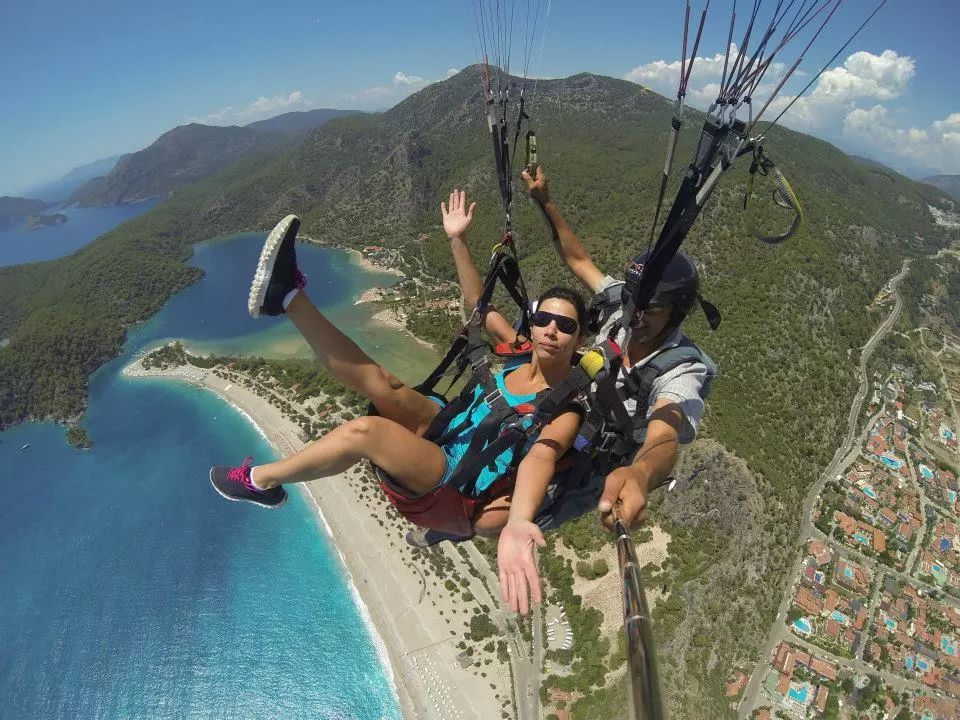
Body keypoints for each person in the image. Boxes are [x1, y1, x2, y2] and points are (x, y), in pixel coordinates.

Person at [209, 190, 587, 614]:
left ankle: (259, 481)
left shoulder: (565, 407)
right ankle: (286, 298)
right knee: (384, 384)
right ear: (532, 324)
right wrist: (457, 240)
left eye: (565, 325)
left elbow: (541, 457)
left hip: (453, 481)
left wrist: (519, 522)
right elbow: (479, 305)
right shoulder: (517, 349)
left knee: (367, 433)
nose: (550, 330)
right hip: (449, 430)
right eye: (543, 319)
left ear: (579, 339)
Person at [522, 166, 719, 532]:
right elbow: (578, 259)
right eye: (633, 302)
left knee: (523, 517)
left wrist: (642, 474)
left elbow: (665, 428)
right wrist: (544, 201)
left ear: (677, 314)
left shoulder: (680, 370)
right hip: (566, 413)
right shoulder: (621, 304)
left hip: (595, 462)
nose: (636, 317)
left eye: (652, 310)